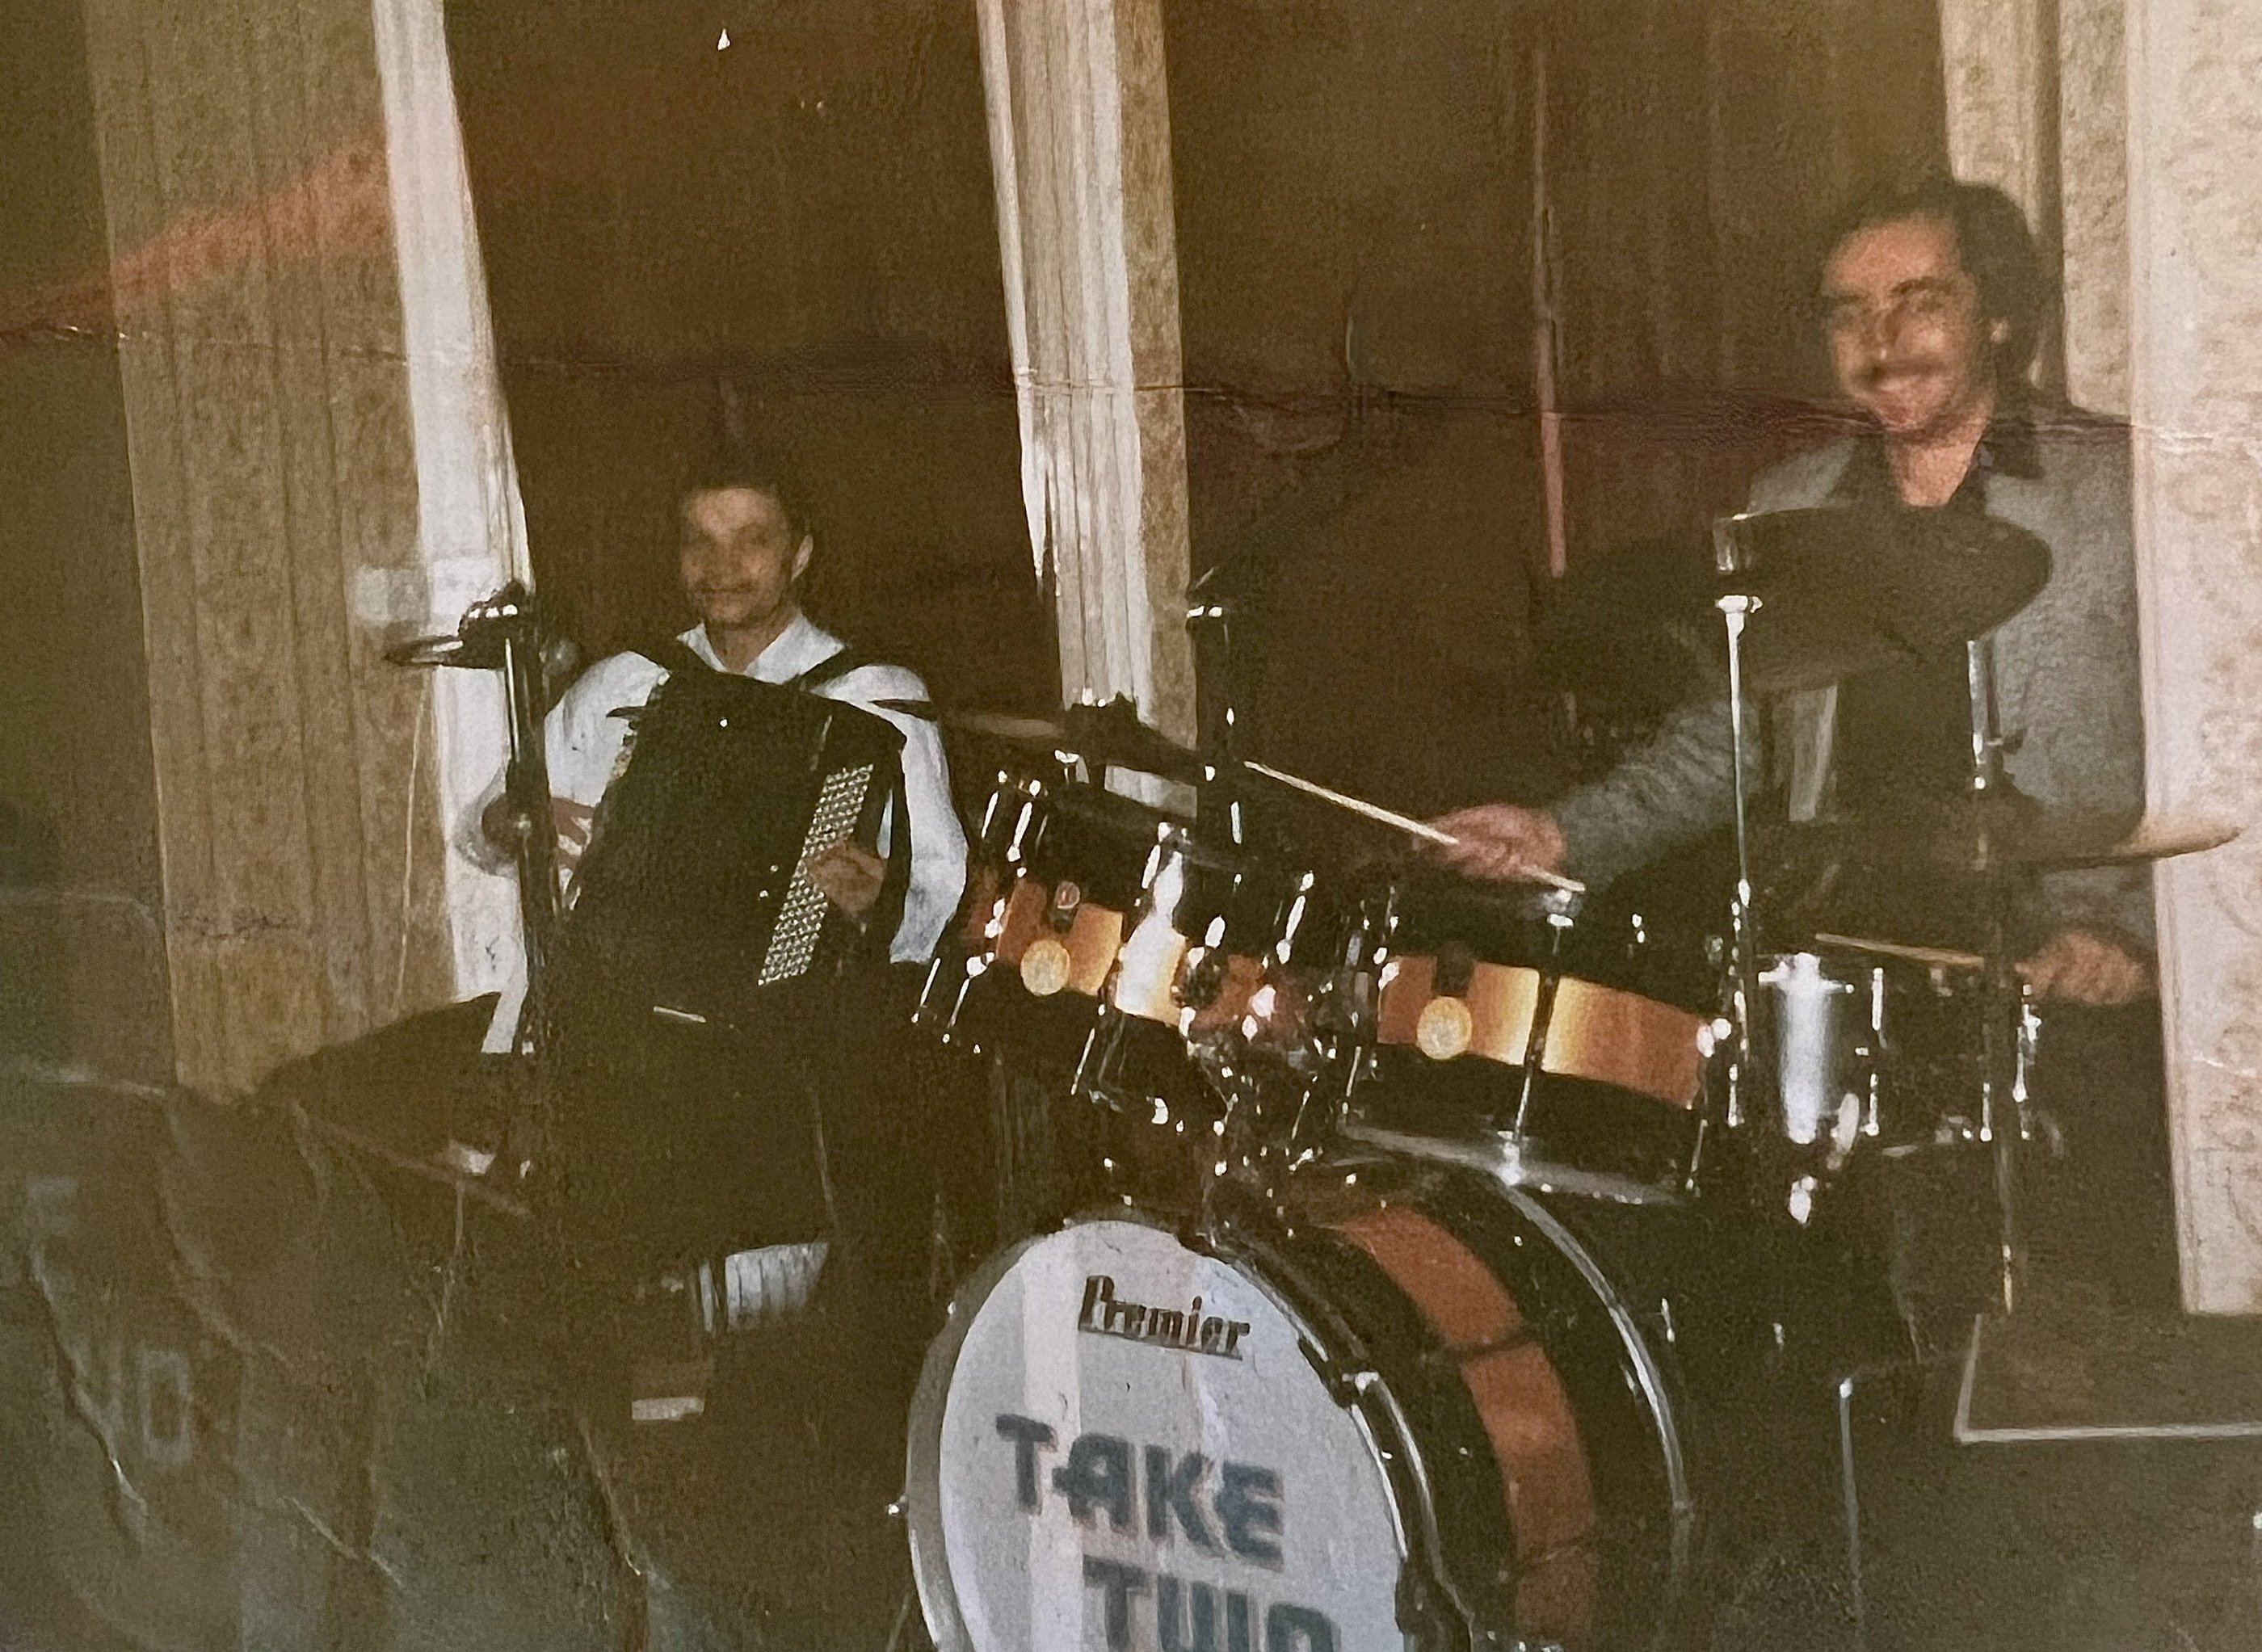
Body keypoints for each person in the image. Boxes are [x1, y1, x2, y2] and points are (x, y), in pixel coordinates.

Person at [1436, 175, 2151, 1008]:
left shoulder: (2117, 490)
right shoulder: (1791, 504)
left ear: (1996, 316)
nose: (1879, 341)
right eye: (1847, 313)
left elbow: (2224, 740)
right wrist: (1560, 832)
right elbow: (1729, 741)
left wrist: (2129, 932)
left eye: (1919, 302)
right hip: (1845, 958)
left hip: (2069, 967)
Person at [463, 440, 967, 1049]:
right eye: (699, 540)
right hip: (615, 1027)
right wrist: (515, 821)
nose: (720, 565)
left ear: (800, 555)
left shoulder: (877, 698)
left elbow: (946, 894)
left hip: (797, 1039)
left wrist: (879, 901)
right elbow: (482, 823)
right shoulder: (625, 680)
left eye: (752, 539)